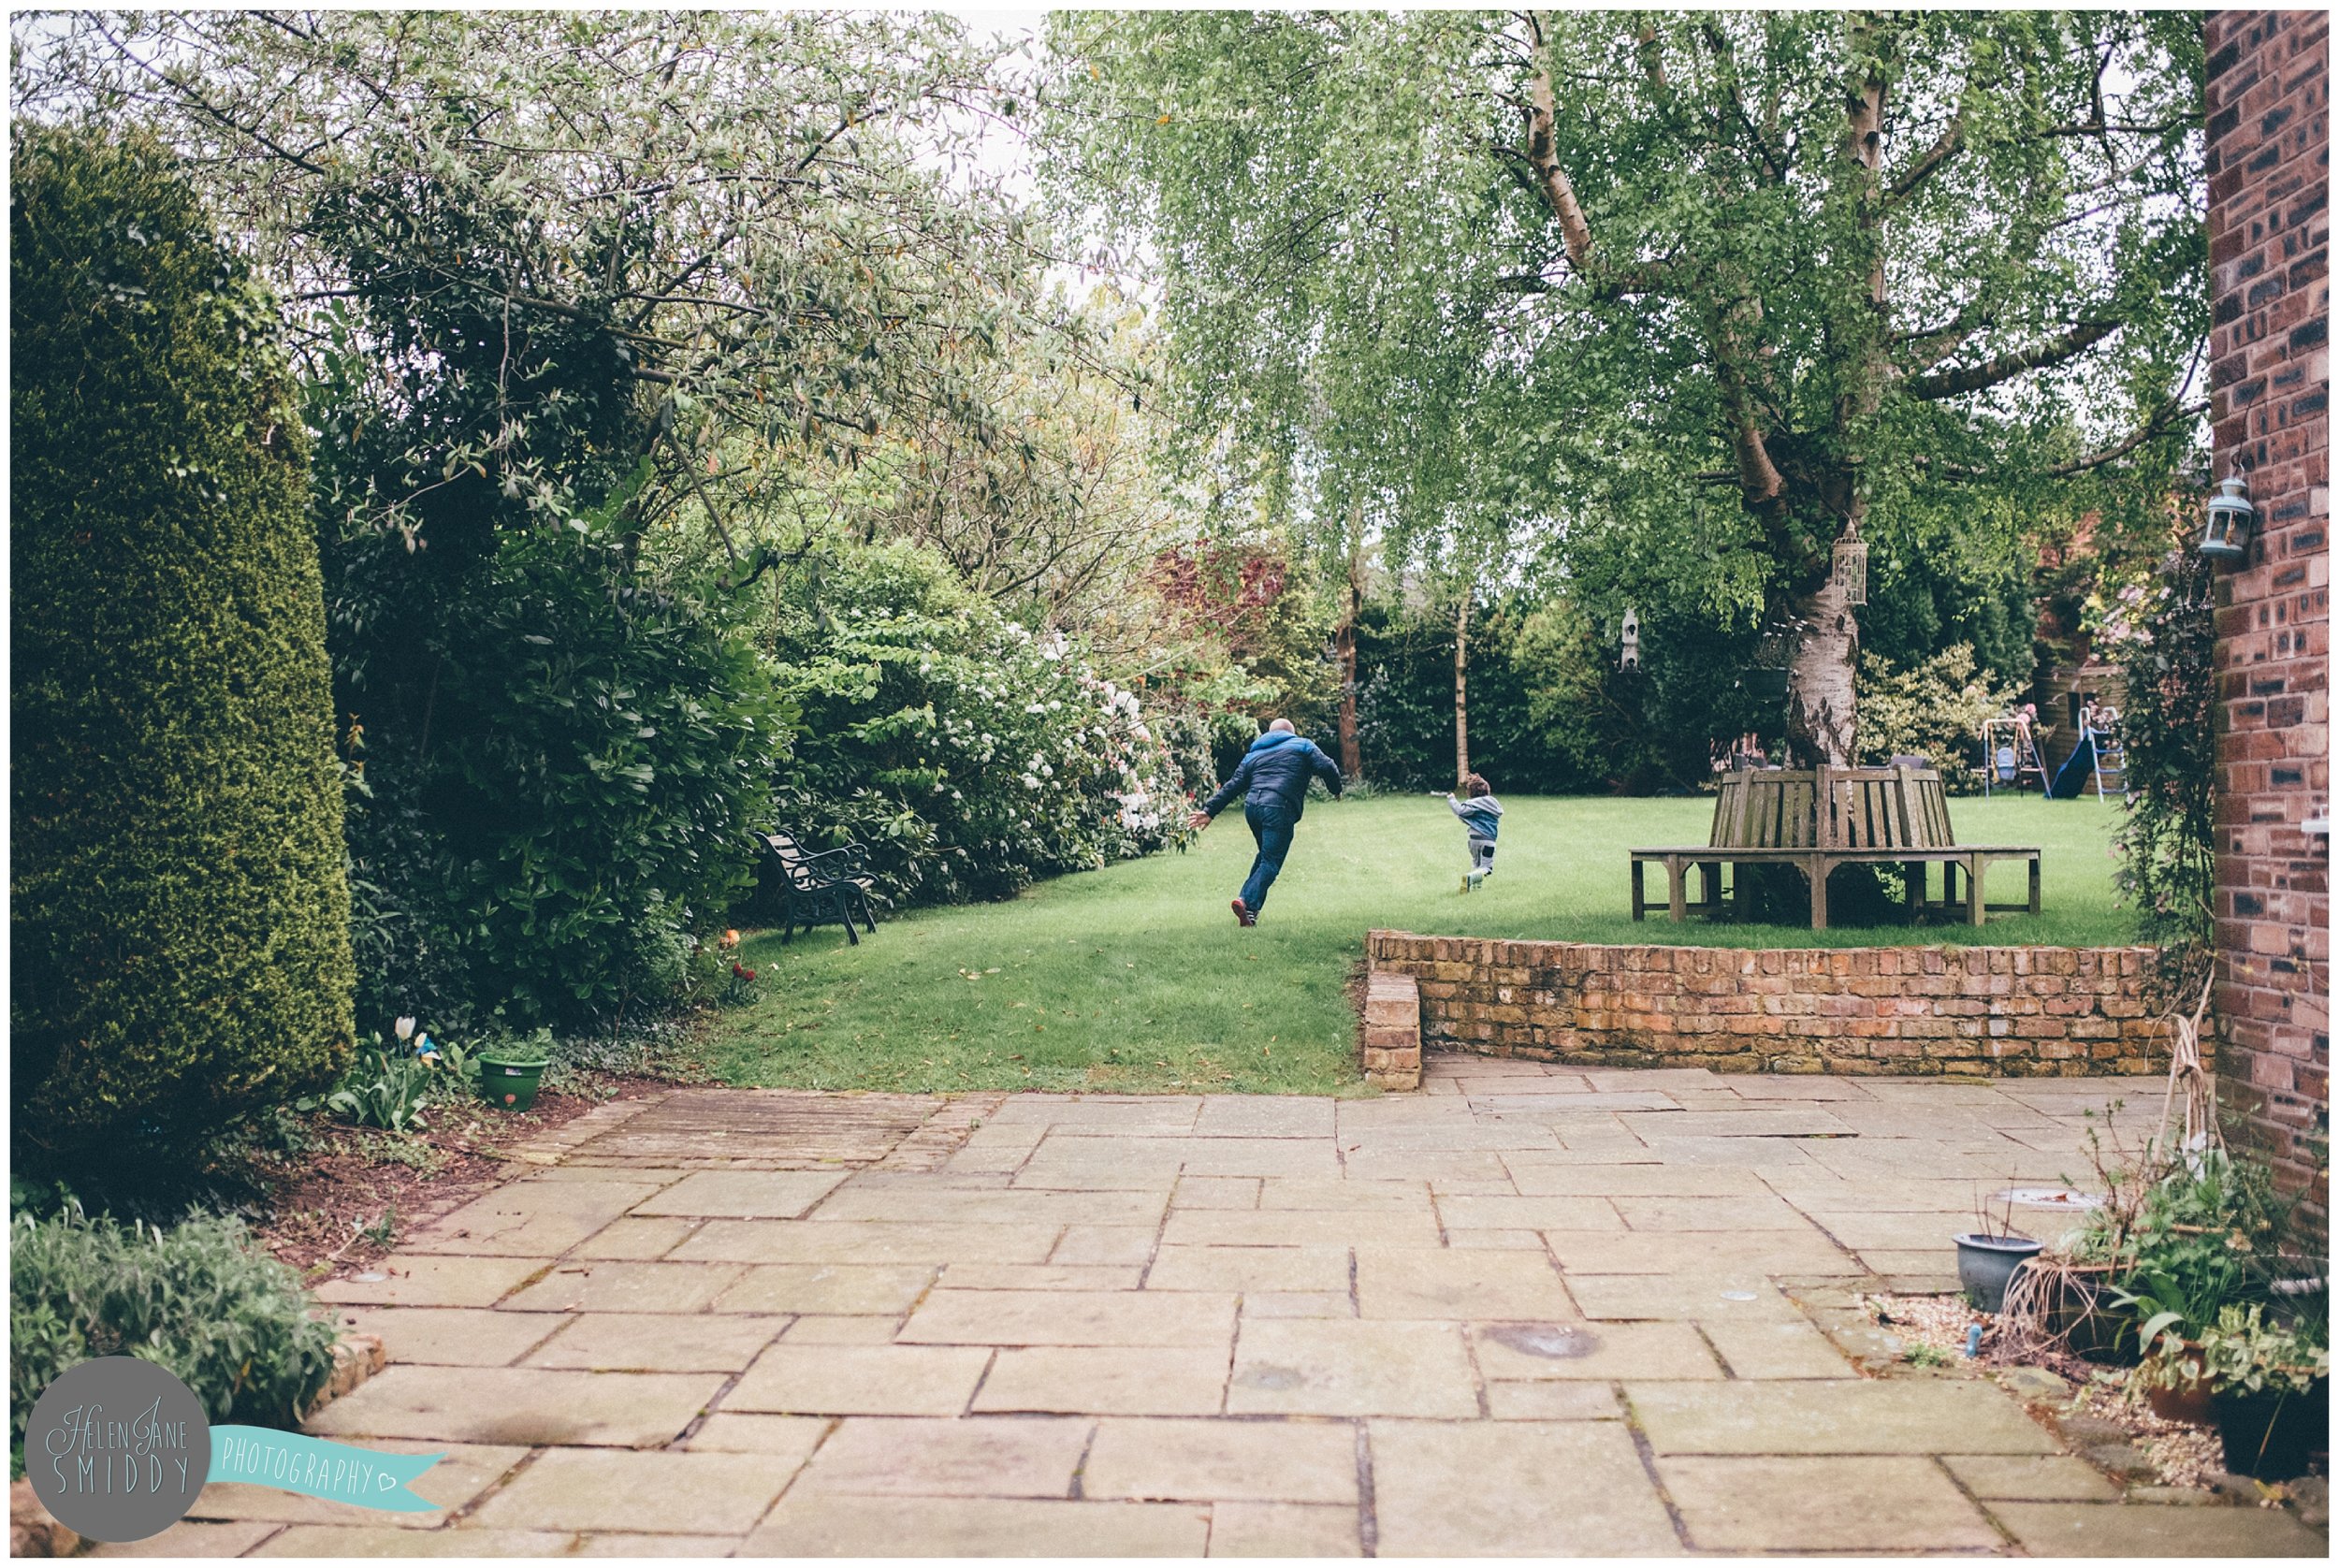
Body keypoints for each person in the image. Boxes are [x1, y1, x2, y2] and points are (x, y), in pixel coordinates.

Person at [1188, 718, 1344, 925]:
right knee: (1271, 861)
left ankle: (1250, 912)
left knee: (1265, 857)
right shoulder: (1303, 745)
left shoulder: (1253, 754)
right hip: (1279, 806)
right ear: (1291, 732)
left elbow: (1233, 785)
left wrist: (1209, 810)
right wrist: (1336, 789)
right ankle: (1245, 900)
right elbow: (1327, 765)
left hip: (1252, 808)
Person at [1446, 773, 1504, 891]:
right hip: (1488, 840)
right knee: (1486, 868)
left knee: (1476, 865)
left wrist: (1452, 798)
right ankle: (1470, 878)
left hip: (1473, 840)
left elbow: (1459, 811)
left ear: (1471, 792)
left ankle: (1476, 889)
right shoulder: (1493, 805)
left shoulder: (1473, 805)